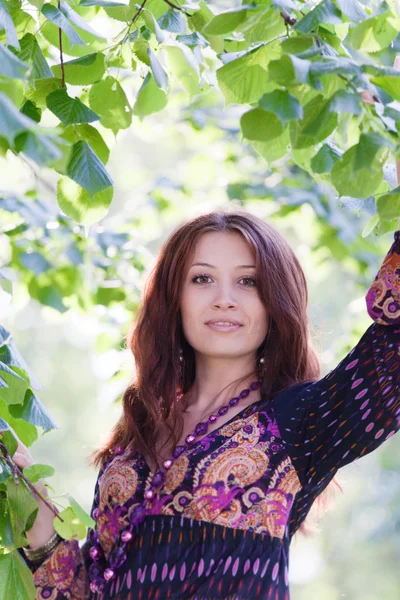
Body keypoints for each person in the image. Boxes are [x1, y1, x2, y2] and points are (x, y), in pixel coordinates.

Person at [7, 210, 400, 600]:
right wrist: (30, 503)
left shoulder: (301, 422)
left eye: (248, 281)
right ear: (174, 298)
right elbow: (87, 589)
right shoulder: (137, 435)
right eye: (202, 279)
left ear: (275, 301)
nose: (224, 300)